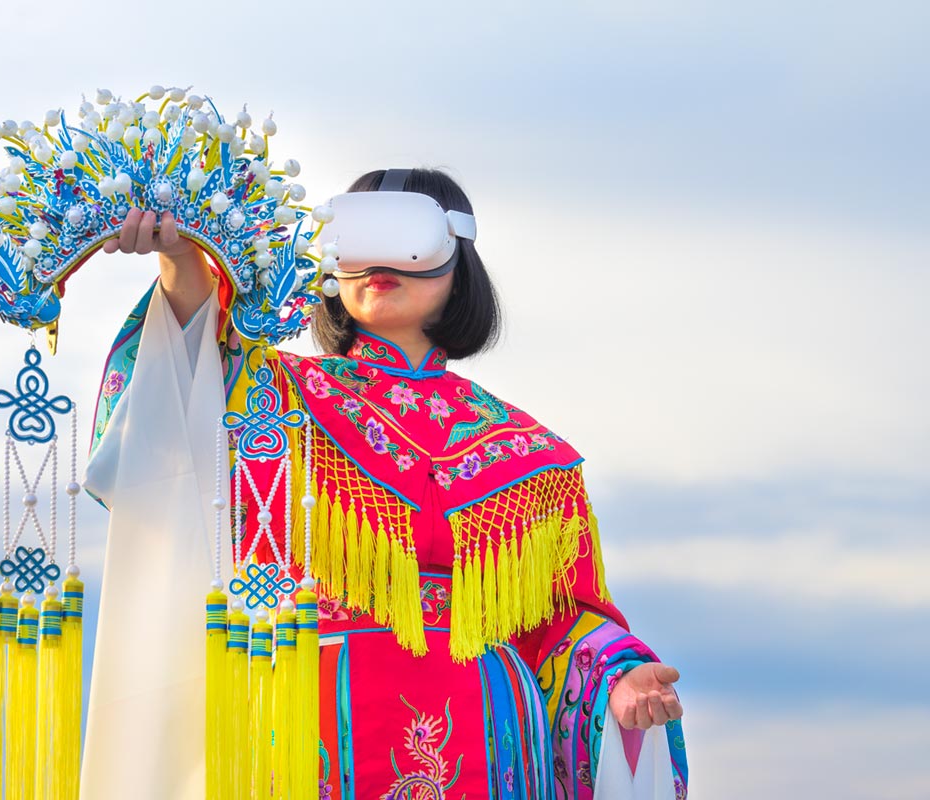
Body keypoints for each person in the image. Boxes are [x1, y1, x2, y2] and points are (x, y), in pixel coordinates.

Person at [82, 167, 688, 799]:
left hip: (486, 742)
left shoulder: (533, 455)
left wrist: (621, 678)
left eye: (407, 239)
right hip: (300, 717)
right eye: (356, 240)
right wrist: (184, 260)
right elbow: (182, 384)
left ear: (457, 257)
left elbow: (558, 622)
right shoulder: (273, 395)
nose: (378, 262)